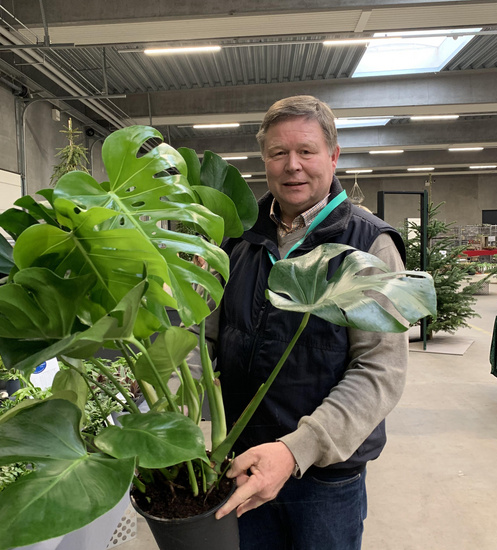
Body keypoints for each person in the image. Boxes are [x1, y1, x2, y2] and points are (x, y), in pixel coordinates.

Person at [204, 95, 408, 549]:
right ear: (264, 160)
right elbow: (202, 339)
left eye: (306, 151)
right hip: (242, 464)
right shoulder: (237, 239)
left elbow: (380, 370)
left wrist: (297, 449)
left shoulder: (368, 245)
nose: (292, 165)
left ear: (333, 157)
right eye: (278, 152)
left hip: (324, 477)